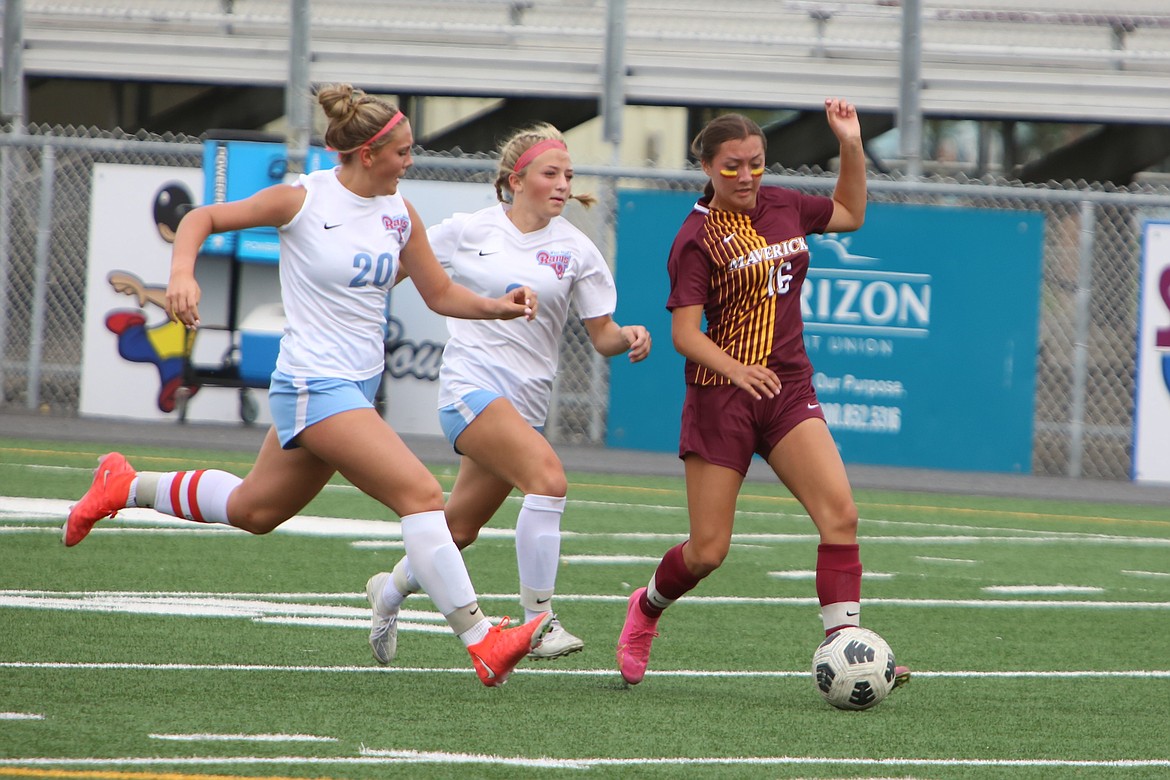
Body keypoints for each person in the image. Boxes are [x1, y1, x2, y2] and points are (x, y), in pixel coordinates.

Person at [63, 83, 554, 688]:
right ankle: (482, 641)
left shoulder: (399, 212)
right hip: (313, 384)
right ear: (367, 154)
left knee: (255, 509)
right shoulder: (302, 199)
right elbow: (202, 217)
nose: (411, 160)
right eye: (401, 151)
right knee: (423, 497)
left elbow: (440, 293)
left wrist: (496, 307)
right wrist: (183, 274)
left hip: (351, 387)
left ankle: (125, 485)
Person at [614, 99, 910, 689]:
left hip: (787, 387)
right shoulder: (696, 239)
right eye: (731, 166)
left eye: (755, 163)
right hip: (720, 398)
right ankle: (646, 608)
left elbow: (850, 211)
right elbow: (683, 335)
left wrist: (849, 143)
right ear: (705, 166)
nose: (746, 176)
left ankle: (844, 646)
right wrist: (737, 370)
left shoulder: (783, 204)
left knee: (840, 515)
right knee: (707, 552)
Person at [365, 124, 651, 665]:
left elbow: (602, 336)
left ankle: (389, 591)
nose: (564, 184)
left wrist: (630, 337)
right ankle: (540, 620)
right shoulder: (468, 229)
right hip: (469, 390)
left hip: (523, 409)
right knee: (548, 480)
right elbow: (395, 270)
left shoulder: (577, 249)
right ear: (516, 181)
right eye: (551, 174)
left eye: (569, 175)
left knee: (457, 529)